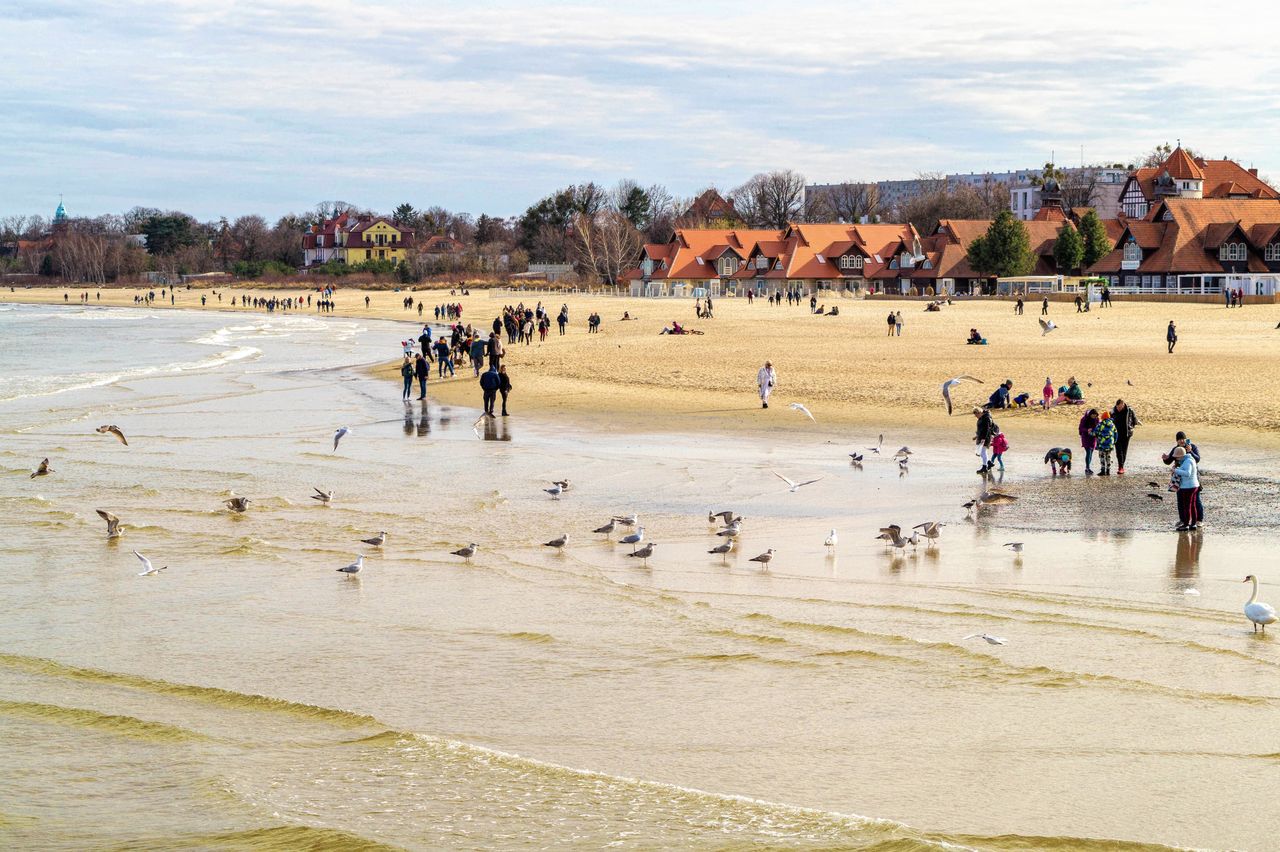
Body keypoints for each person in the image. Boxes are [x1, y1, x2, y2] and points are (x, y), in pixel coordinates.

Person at [1170, 446, 1200, 531]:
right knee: (1193, 505)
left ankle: (1186, 524)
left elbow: (1187, 473)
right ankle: (1193, 524)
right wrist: (1178, 469)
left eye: (1177, 457)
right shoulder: (1190, 460)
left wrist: (1175, 470)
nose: (1176, 459)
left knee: (1187, 506)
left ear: (1181, 456)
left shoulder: (1187, 461)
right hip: (1194, 485)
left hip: (1188, 487)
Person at [1111, 399, 1139, 474]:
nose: (1119, 409)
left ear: (1123, 405)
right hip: (1116, 434)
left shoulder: (1129, 410)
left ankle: (1122, 466)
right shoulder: (1113, 411)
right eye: (1117, 407)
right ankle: (1120, 467)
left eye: (1120, 407)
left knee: (1124, 450)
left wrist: (1131, 428)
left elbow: (1134, 419)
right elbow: (1110, 421)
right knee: (1118, 451)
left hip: (1126, 434)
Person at [1093, 409, 1117, 476]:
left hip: (1102, 444)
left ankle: (1103, 470)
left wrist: (1090, 433)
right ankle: (1108, 470)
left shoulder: (1100, 425)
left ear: (1103, 418)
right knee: (1108, 456)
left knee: (1102, 456)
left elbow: (1095, 433)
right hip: (1110, 444)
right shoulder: (1112, 425)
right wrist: (1114, 441)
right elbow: (1116, 434)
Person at [973, 406, 996, 474]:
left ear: (979, 412)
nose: (976, 416)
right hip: (981, 437)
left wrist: (983, 439)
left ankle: (985, 467)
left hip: (986, 437)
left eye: (976, 415)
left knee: (983, 452)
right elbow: (980, 429)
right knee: (982, 452)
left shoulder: (986, 418)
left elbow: (987, 430)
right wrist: (976, 436)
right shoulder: (981, 418)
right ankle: (989, 463)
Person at [1078, 408, 1100, 474]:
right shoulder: (1084, 419)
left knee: (1091, 453)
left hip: (1093, 438)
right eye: (1093, 415)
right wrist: (1087, 430)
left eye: (1095, 415)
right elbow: (1081, 428)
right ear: (1090, 414)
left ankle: (1088, 468)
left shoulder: (1097, 419)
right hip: (1085, 437)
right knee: (1088, 452)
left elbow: (1098, 426)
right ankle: (1087, 468)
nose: (1094, 417)